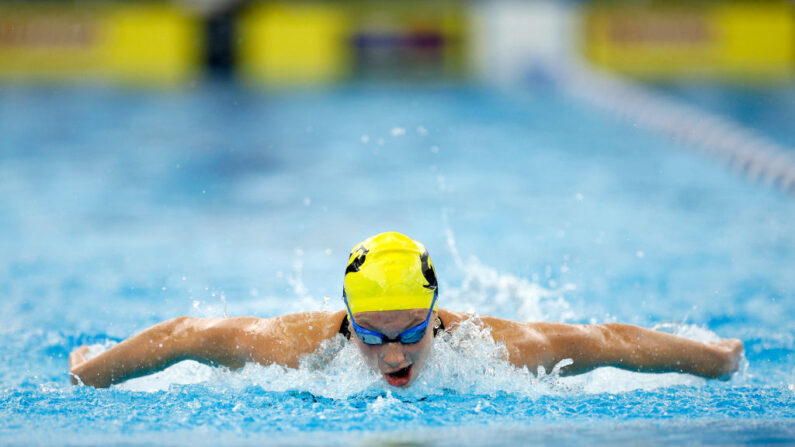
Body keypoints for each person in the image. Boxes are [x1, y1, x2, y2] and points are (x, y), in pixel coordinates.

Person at [69, 232, 744, 388]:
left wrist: (710, 360)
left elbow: (603, 340)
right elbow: (186, 334)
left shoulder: (494, 347)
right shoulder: (295, 347)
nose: (394, 354)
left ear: (436, 314)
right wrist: (92, 371)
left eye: (411, 332)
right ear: (345, 319)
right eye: (372, 335)